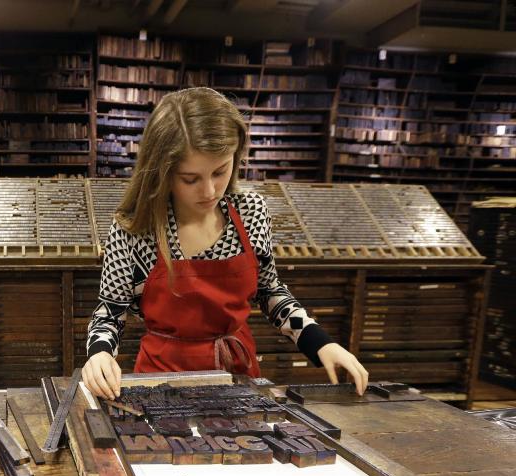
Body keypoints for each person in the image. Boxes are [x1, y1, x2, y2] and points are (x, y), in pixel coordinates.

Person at [83, 87, 367, 399]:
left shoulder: (250, 212)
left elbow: (269, 290)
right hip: (161, 385)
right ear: (161, 172)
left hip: (238, 379)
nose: (209, 190)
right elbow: (110, 312)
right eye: (190, 179)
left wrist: (318, 341)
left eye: (220, 171)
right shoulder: (136, 228)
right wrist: (99, 354)